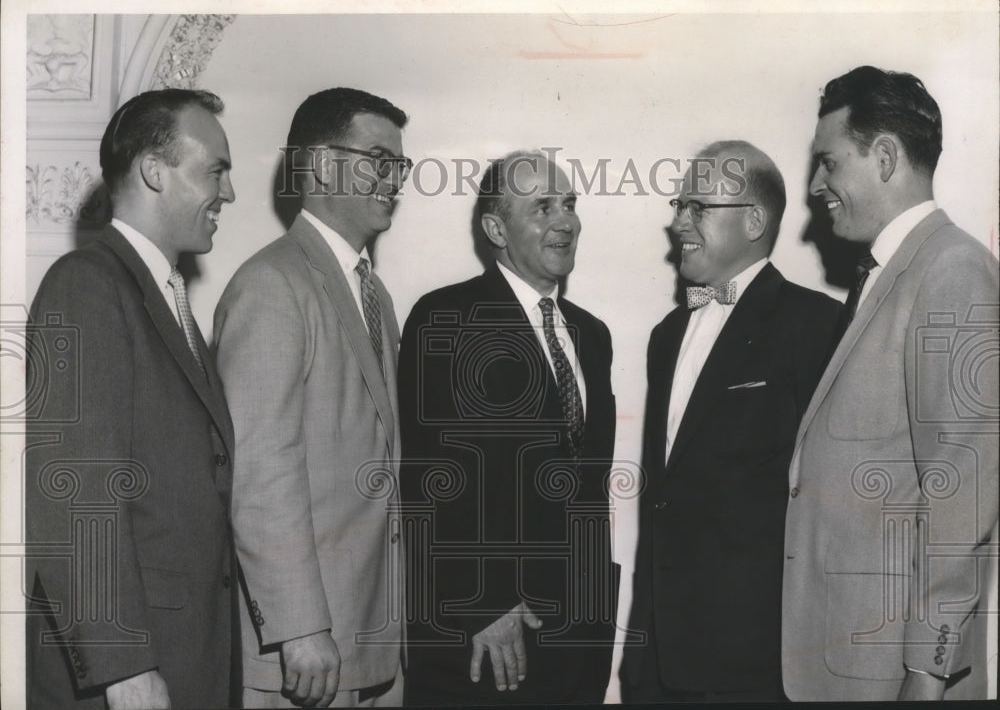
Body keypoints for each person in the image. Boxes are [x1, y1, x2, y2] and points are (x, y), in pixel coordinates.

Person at [782, 66, 999, 701]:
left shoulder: (953, 271)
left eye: (828, 163)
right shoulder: (882, 272)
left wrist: (928, 673)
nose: (816, 186)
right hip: (846, 666)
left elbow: (962, 493)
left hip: (895, 680)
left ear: (883, 157)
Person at [24, 88, 237, 708]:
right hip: (135, 670)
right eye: (216, 171)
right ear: (153, 170)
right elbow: (73, 489)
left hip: (184, 650)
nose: (228, 193)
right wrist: (122, 666)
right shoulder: (86, 285)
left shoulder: (162, 295)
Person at [619, 141, 841, 702]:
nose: (677, 222)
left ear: (754, 220)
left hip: (756, 664)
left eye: (697, 207)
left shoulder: (815, 324)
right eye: (678, 204)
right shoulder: (667, 335)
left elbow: (832, 506)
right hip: (657, 664)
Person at [398, 151, 619, 705]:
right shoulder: (445, 318)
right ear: (496, 228)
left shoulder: (592, 336)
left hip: (579, 633)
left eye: (569, 204)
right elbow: (429, 476)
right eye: (542, 207)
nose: (565, 220)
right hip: (485, 634)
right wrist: (483, 603)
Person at [213, 87, 409, 708]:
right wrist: (300, 627)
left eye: (398, 166)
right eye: (379, 160)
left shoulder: (377, 296)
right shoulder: (272, 284)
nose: (393, 181)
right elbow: (259, 472)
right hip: (308, 655)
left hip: (370, 641)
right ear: (321, 165)